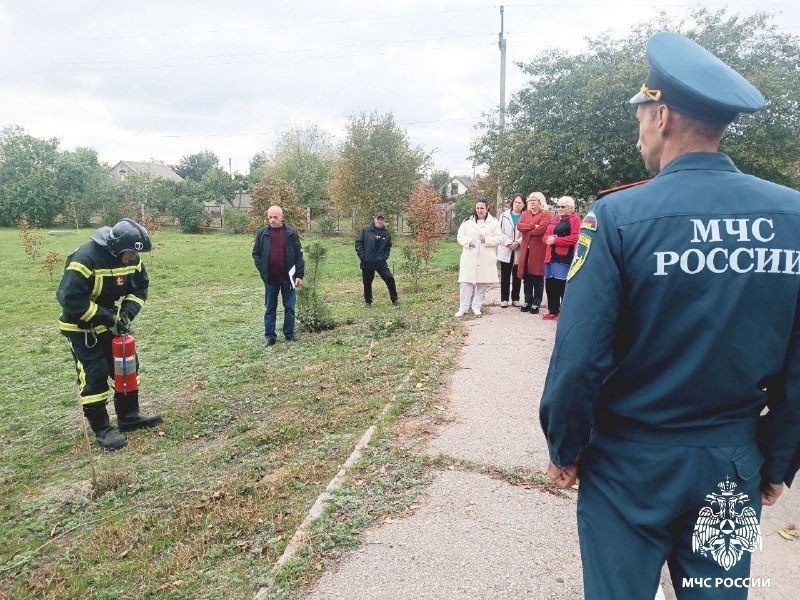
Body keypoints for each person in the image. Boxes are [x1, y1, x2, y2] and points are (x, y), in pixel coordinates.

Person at [539, 32, 800, 600]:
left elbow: (580, 352)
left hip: (626, 467)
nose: (638, 134)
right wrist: (778, 461)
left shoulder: (616, 216)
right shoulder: (793, 217)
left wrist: (565, 446)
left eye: (639, 117)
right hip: (730, 462)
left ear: (662, 117)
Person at [57, 218, 162, 451]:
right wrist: (105, 316)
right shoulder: (84, 259)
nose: (133, 258)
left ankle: (129, 416)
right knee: (95, 373)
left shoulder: (132, 259)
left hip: (110, 324)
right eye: (129, 254)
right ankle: (102, 429)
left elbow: (140, 287)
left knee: (126, 367)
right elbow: (70, 299)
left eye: (136, 254)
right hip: (81, 327)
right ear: (115, 247)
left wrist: (126, 313)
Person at [252, 205, 305, 347]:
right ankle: (270, 336)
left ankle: (289, 333)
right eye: (270, 217)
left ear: (282, 217)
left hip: (288, 278)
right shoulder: (262, 233)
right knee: (270, 308)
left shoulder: (291, 233)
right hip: (270, 279)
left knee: (290, 307)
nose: (272, 220)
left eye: (275, 217)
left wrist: (299, 275)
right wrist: (262, 269)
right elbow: (256, 253)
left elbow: (299, 255)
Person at [455, 198, 502, 317]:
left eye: (482, 208)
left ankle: (476, 306)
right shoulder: (467, 221)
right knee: (466, 283)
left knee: (481, 283)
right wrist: (469, 242)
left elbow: (499, 238)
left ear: (487, 208)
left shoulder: (494, 222)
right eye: (477, 208)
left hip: (485, 256)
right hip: (469, 255)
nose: (479, 210)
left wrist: (486, 239)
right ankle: (463, 308)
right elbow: (460, 236)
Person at [541, 196, 580, 320]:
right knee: (550, 284)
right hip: (550, 257)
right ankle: (553, 310)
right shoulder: (555, 219)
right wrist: (547, 239)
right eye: (558, 206)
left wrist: (556, 240)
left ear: (570, 208)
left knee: (561, 284)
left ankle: (565, 313)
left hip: (563, 257)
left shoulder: (575, 219)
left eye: (563, 206)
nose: (560, 209)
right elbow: (545, 236)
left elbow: (575, 238)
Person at [516, 192, 551, 314]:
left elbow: (541, 229)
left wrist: (528, 230)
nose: (531, 202)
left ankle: (536, 302)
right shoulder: (525, 213)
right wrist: (532, 226)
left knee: (537, 277)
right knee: (527, 276)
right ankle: (527, 300)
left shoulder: (545, 214)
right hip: (526, 249)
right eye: (530, 200)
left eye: (534, 200)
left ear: (540, 202)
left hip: (538, 250)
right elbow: (519, 226)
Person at [355, 211, 399, 308]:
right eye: (378, 219)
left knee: (389, 278)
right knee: (367, 282)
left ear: (384, 221)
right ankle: (368, 302)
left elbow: (388, 247)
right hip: (367, 262)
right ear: (374, 219)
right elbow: (358, 243)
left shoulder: (386, 233)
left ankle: (395, 300)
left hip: (380, 262)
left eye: (381, 219)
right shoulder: (366, 230)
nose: (379, 221)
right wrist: (363, 256)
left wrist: (384, 257)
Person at [497, 193, 525, 308]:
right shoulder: (504, 215)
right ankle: (504, 299)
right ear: (512, 203)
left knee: (517, 275)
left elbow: (526, 233)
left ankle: (515, 298)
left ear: (523, 205)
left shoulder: (526, 216)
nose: (517, 205)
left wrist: (518, 242)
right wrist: (509, 242)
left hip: (519, 248)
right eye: (515, 202)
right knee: (505, 275)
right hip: (506, 248)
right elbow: (499, 231)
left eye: (520, 203)